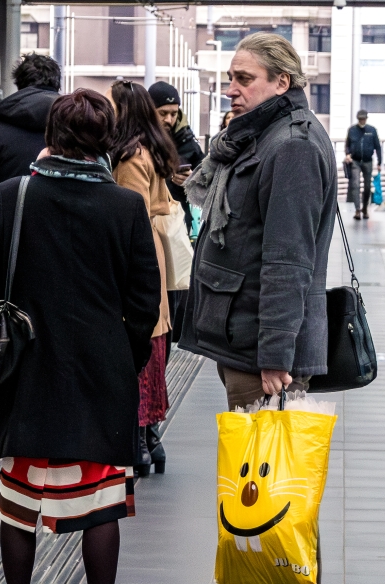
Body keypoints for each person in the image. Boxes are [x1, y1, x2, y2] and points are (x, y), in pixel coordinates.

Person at [0, 89, 160, 584]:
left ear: (50, 137)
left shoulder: (13, 195)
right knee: (101, 502)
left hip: (28, 365)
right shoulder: (124, 205)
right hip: (101, 367)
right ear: (106, 140)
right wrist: (127, 354)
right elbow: (145, 298)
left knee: (18, 499)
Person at [180, 34, 337, 418]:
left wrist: (275, 355)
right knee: (252, 471)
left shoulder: (291, 146)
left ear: (282, 82)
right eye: (231, 78)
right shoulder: (264, 136)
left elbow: (289, 261)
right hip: (245, 339)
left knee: (259, 473)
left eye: (245, 79)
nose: (231, 90)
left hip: (261, 356)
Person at [108, 80, 179, 477]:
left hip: (138, 254)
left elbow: (129, 211)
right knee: (152, 343)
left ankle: (140, 440)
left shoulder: (130, 155)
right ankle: (151, 438)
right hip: (152, 252)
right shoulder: (150, 148)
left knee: (141, 346)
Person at [0, 53, 61, 251]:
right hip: (64, 246)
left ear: (19, 84)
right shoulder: (75, 128)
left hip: (9, 248)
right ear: (57, 83)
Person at [148, 81, 204, 231]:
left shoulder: (188, 142)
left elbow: (208, 178)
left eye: (173, 114)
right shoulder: (138, 141)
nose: (169, 119)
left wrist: (191, 179)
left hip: (177, 223)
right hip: (147, 219)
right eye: (163, 113)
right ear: (149, 111)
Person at [345, 109, 383, 220]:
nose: (362, 120)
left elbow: (378, 147)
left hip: (368, 161)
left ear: (366, 119)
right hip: (355, 161)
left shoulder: (372, 130)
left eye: (363, 118)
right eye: (360, 119)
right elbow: (347, 144)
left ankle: (365, 208)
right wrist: (348, 154)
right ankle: (357, 210)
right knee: (355, 185)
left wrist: (380, 162)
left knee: (367, 187)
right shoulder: (352, 130)